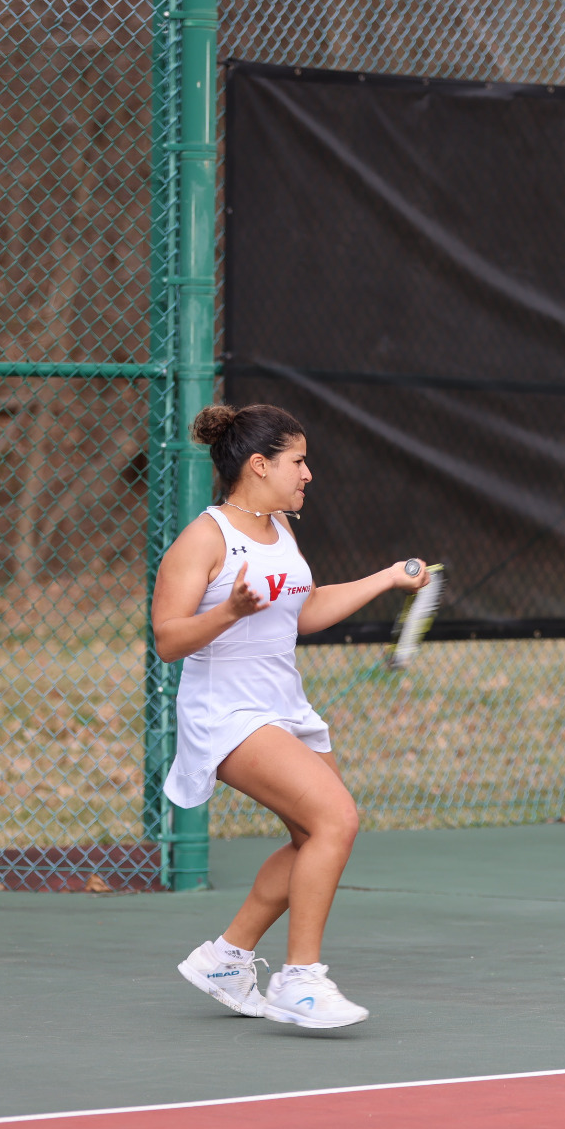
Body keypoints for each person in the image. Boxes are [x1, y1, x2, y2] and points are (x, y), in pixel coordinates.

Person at [154, 403, 425, 1029]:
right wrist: (228, 612)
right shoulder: (204, 539)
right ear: (259, 464)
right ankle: (301, 981)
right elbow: (167, 640)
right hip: (227, 710)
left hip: (284, 704)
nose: (308, 475)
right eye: (298, 462)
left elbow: (299, 612)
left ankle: (227, 957)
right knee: (336, 817)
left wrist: (386, 579)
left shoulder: (280, 528)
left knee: (313, 837)